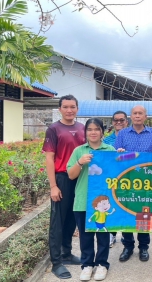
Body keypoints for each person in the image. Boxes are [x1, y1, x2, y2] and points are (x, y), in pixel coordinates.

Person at [43, 95, 85, 280]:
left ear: (77, 109)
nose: (69, 110)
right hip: (62, 178)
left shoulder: (82, 128)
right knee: (57, 222)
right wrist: (53, 186)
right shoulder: (54, 129)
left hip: (80, 178)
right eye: (66, 107)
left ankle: (67, 253)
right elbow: (49, 158)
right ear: (60, 109)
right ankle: (57, 262)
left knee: (72, 219)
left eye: (73, 107)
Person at [67, 118, 115, 281]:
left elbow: (117, 172)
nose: (93, 132)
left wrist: (120, 156)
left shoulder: (110, 149)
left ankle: (102, 264)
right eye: (89, 129)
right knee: (85, 235)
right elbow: (71, 175)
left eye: (96, 129)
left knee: (102, 234)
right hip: (83, 200)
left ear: (102, 131)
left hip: (103, 201)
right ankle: (87, 265)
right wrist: (80, 163)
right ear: (85, 132)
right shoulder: (79, 151)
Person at [115, 105, 152, 262]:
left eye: (141, 113)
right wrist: (121, 154)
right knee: (127, 212)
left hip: (146, 182)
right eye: (135, 113)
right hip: (127, 181)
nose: (138, 116)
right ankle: (127, 246)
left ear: (145, 116)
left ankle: (144, 247)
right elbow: (116, 157)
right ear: (131, 116)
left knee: (144, 213)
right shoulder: (122, 134)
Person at [103, 110, 129, 248]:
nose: (118, 122)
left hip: (127, 178)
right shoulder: (106, 140)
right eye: (116, 120)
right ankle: (112, 235)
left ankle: (126, 238)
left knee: (125, 207)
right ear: (112, 122)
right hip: (112, 178)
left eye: (121, 120)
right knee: (110, 205)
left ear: (126, 121)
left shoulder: (130, 138)